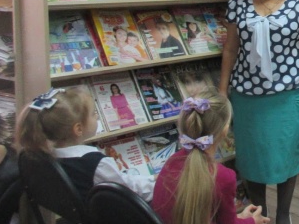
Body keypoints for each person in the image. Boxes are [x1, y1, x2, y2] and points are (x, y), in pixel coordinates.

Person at [219, 0, 299, 224]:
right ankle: (259, 214)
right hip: (246, 97)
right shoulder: (237, 4)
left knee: (287, 156)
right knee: (252, 159)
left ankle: (283, 215)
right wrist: (222, 90)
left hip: (288, 96)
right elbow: (230, 49)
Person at [16, 87, 154, 201]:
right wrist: (157, 181)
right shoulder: (95, 163)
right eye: (93, 114)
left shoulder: (44, 155)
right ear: (78, 129)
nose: (97, 116)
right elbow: (132, 192)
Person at [151, 90, 268, 224]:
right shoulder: (224, 177)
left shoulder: (172, 160)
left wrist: (239, 218)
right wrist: (252, 221)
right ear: (225, 131)